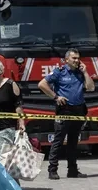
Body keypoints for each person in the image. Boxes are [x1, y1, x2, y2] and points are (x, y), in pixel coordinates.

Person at [38, 48, 93, 180]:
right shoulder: (59, 72)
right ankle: (52, 170)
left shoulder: (80, 73)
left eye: (78, 58)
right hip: (64, 109)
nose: (77, 60)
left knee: (73, 141)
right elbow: (42, 84)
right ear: (66, 59)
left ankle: (72, 170)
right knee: (58, 140)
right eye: (74, 58)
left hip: (78, 110)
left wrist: (85, 72)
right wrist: (56, 97)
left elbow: (91, 87)